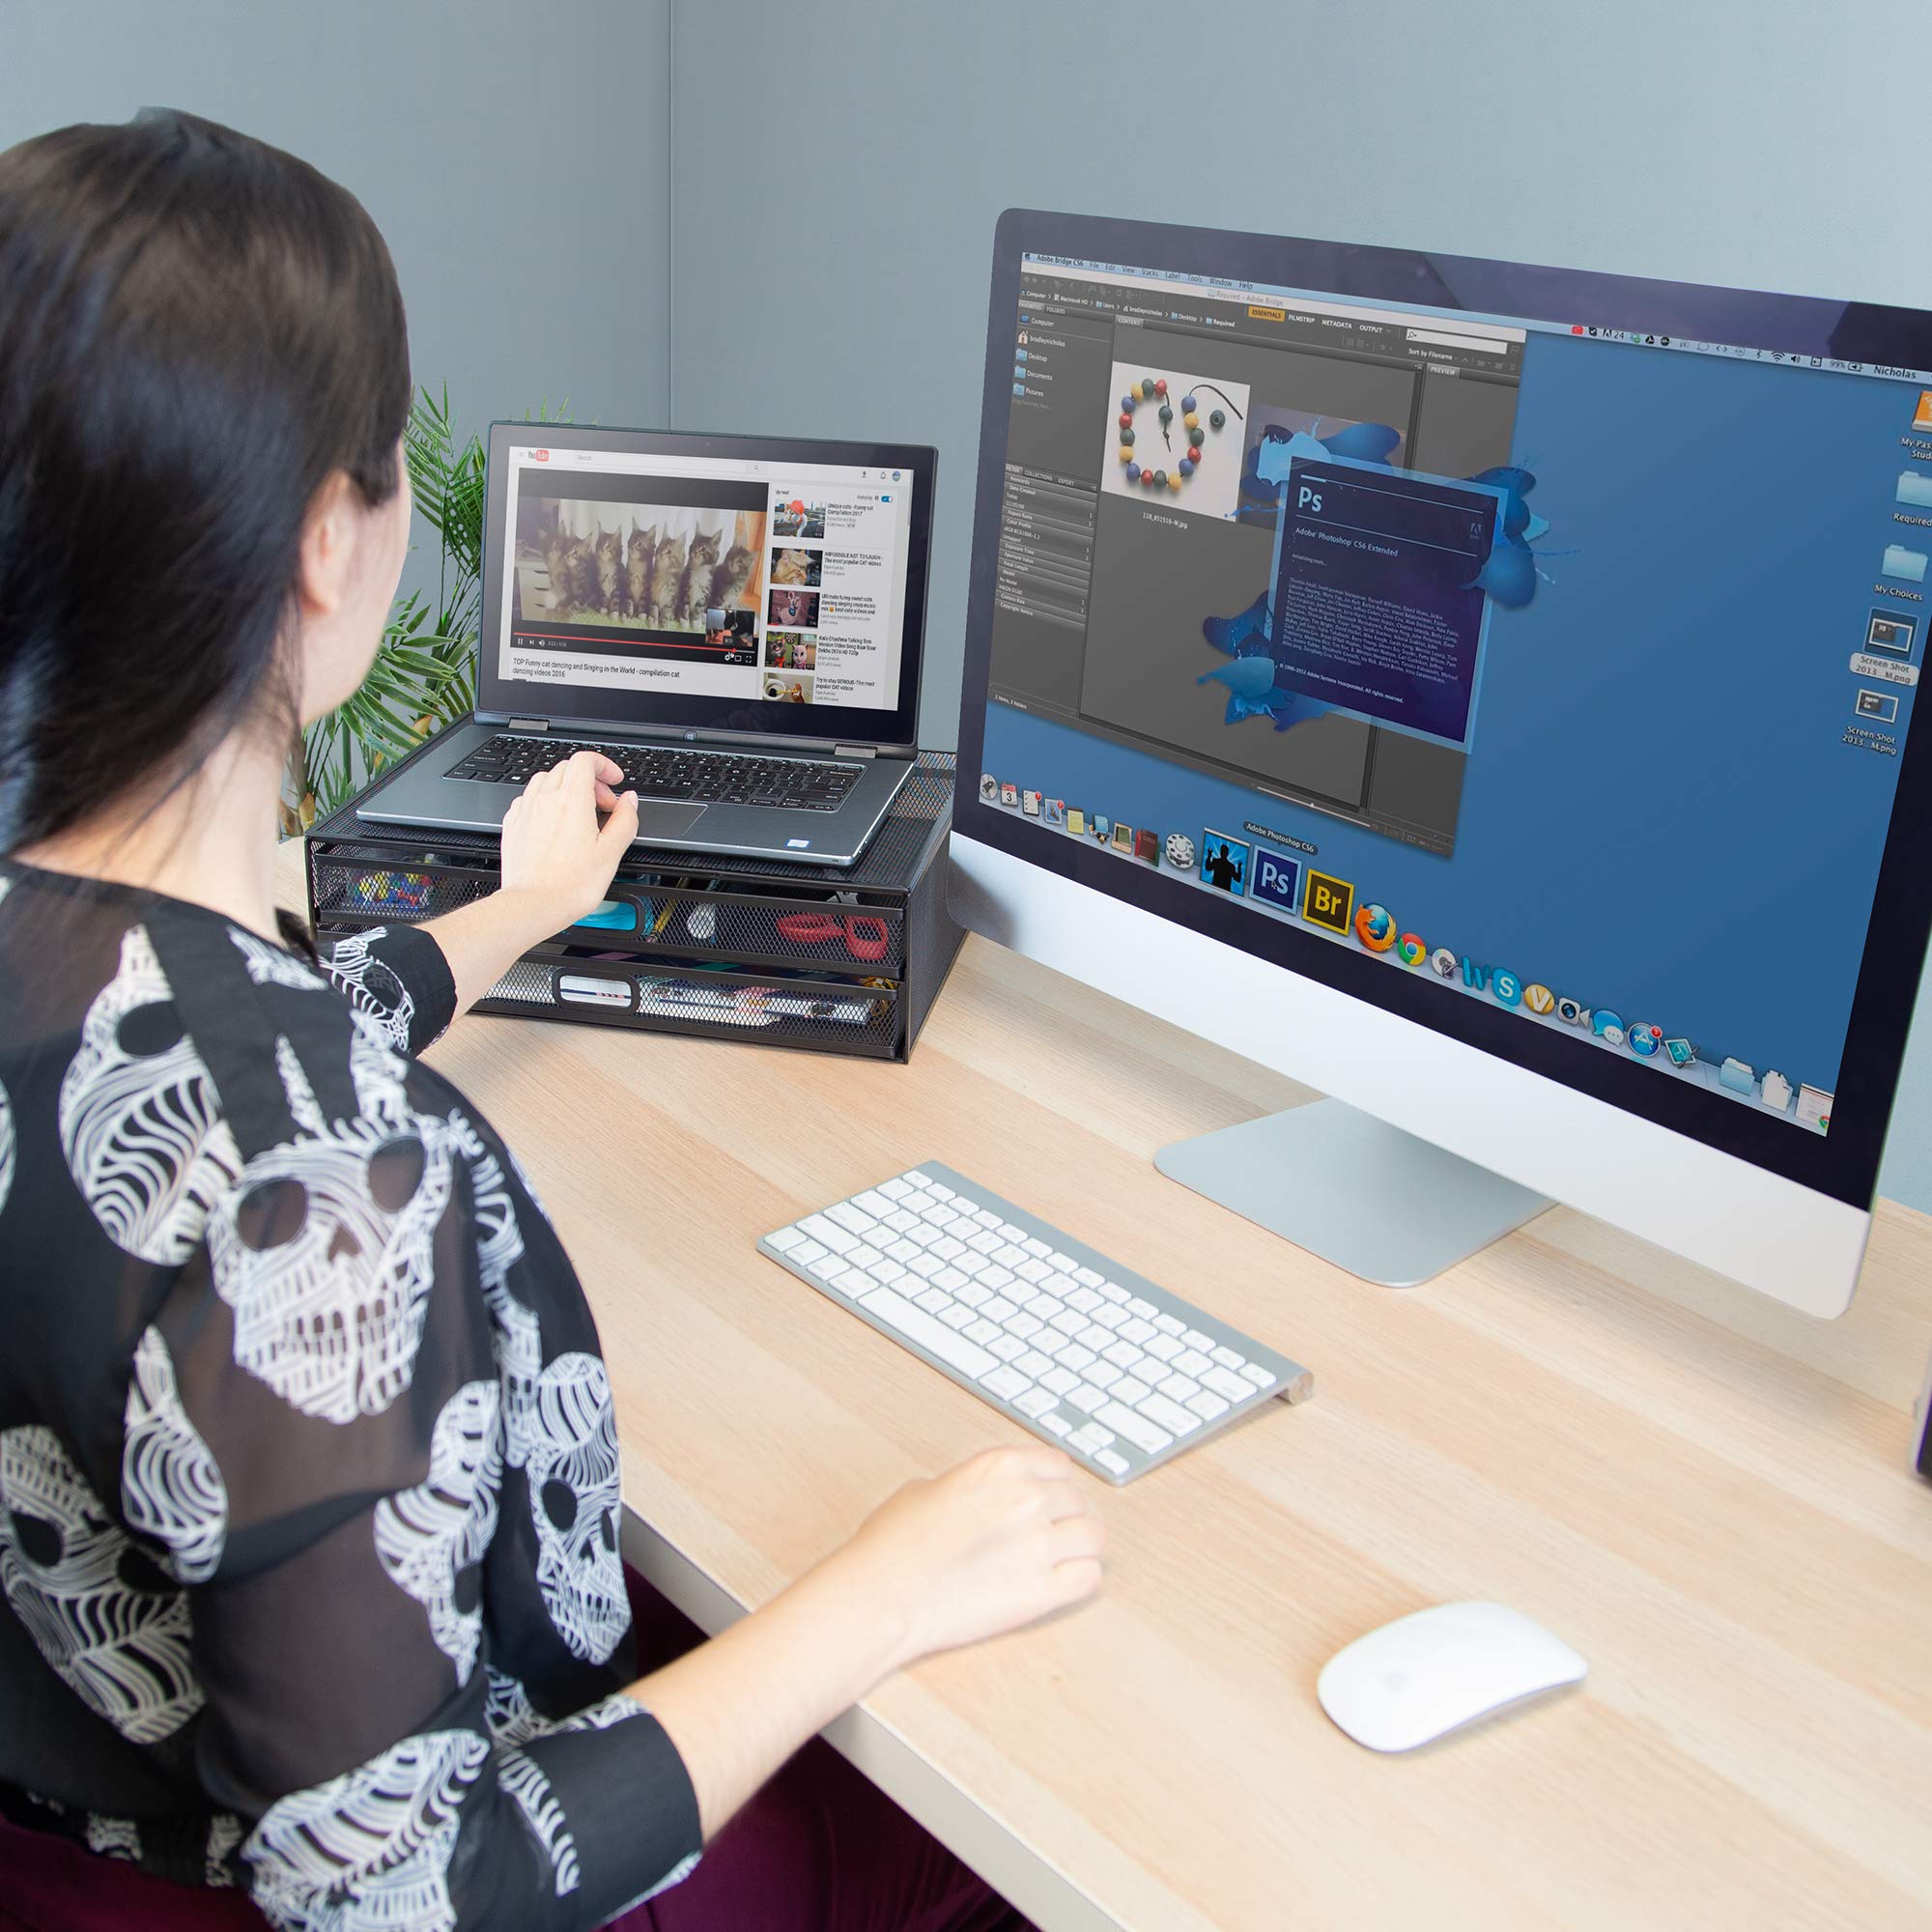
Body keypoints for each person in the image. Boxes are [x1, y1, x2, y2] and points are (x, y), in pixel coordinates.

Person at [0, 112, 1104, 1931]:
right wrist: (889, 1585)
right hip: (368, 1869)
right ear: (321, 556)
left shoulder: (104, 988)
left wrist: (517, 909)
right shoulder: (318, 1171)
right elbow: (399, 1887)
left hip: (80, 1811)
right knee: (990, 1818)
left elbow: (198, 1072)